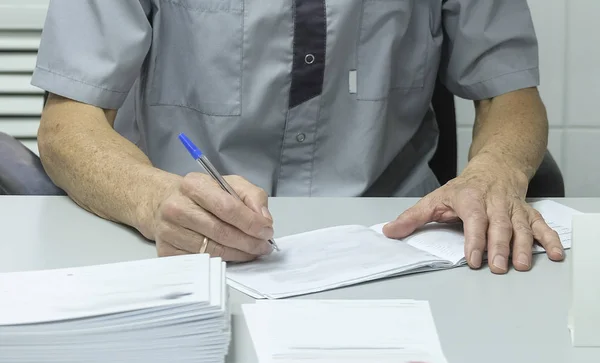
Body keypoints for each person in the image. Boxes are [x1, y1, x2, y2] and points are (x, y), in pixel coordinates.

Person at [32, 0, 564, 274]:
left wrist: (496, 172)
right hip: (179, 251)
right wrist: (153, 199)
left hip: (396, 251)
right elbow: (67, 123)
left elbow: (510, 95)